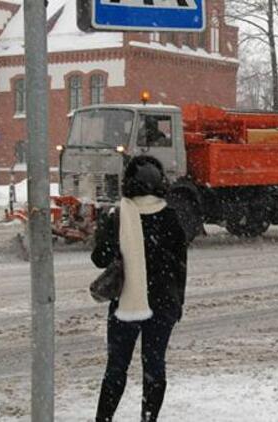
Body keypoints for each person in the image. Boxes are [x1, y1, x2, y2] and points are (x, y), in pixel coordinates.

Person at [92, 156, 188, 422]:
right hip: (163, 305)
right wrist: (177, 302)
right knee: (154, 367)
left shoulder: (120, 215)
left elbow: (99, 258)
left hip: (126, 306)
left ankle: (103, 419)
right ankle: (148, 418)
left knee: (116, 368)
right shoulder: (170, 217)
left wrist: (107, 231)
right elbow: (180, 265)